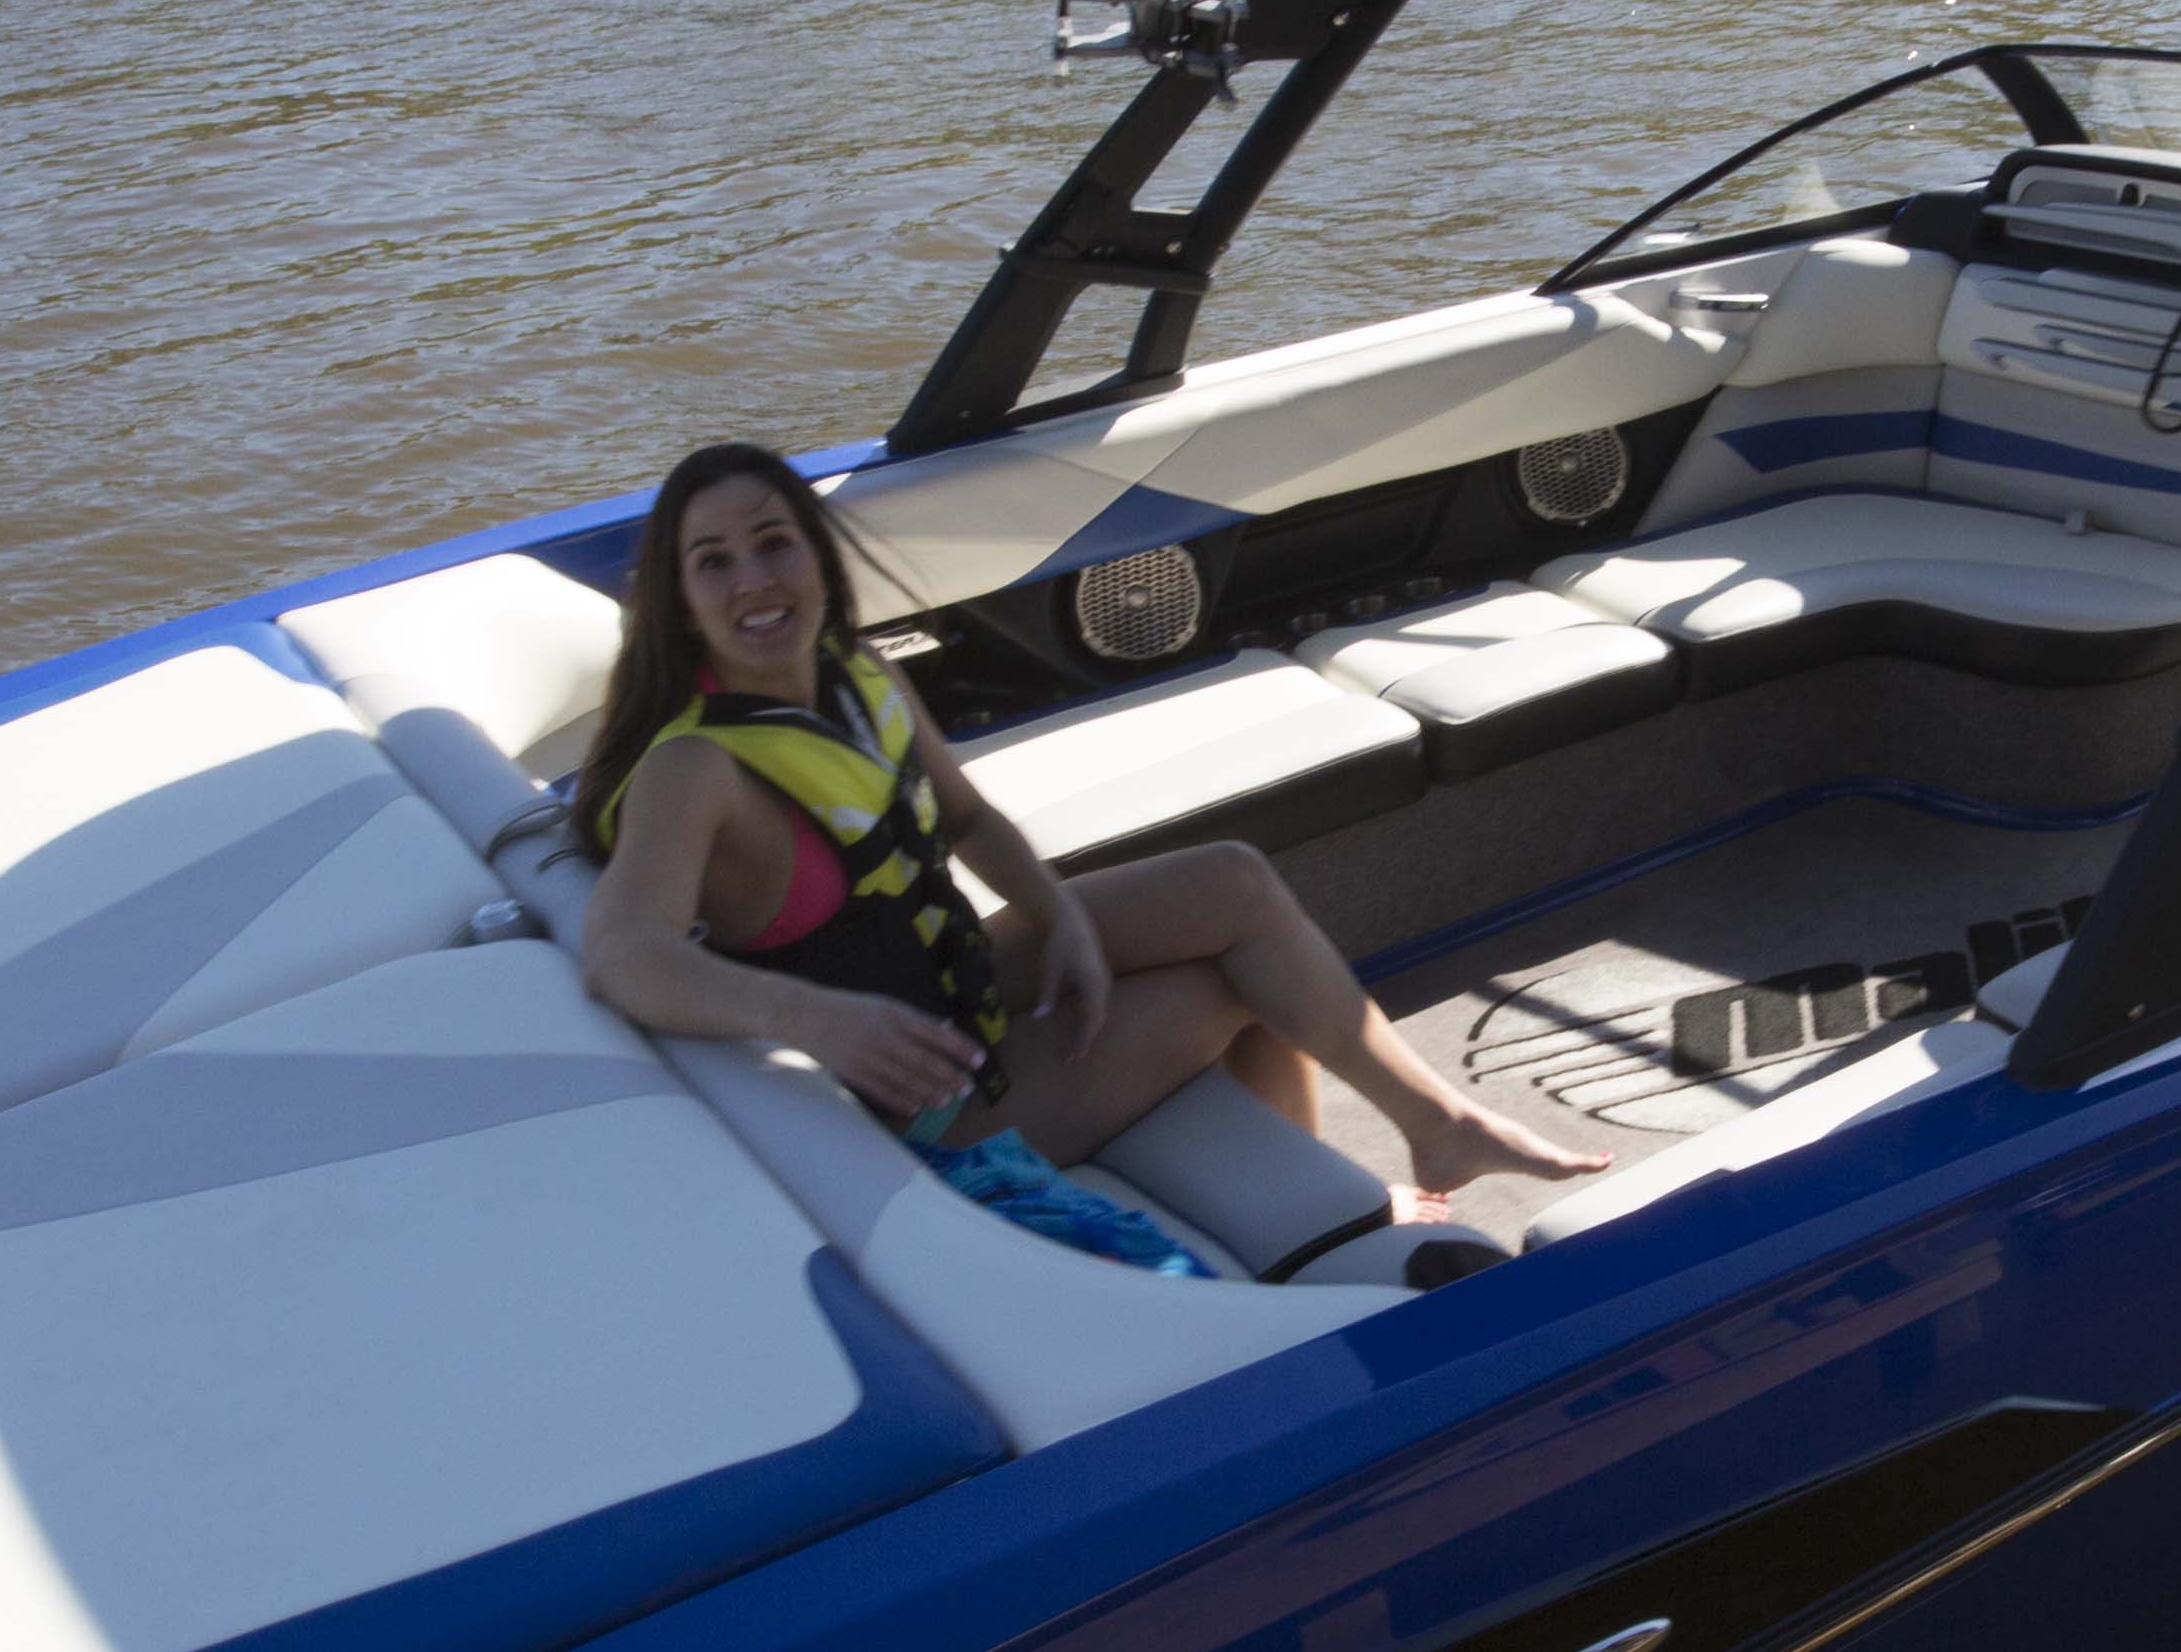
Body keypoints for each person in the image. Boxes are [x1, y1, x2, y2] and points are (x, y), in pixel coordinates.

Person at [574, 442, 1598, 1235]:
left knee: (1232, 885)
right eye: (713, 563)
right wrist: (814, 1020)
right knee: (1237, 988)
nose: (753, 578)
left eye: (773, 542)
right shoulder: (694, 770)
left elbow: (965, 820)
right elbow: (624, 954)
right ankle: (1338, 1214)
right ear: (682, 606)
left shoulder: (857, 676)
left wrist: (1057, 911)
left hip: (960, 981)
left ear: (817, 557)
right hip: (922, 1109)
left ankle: (1434, 1124)